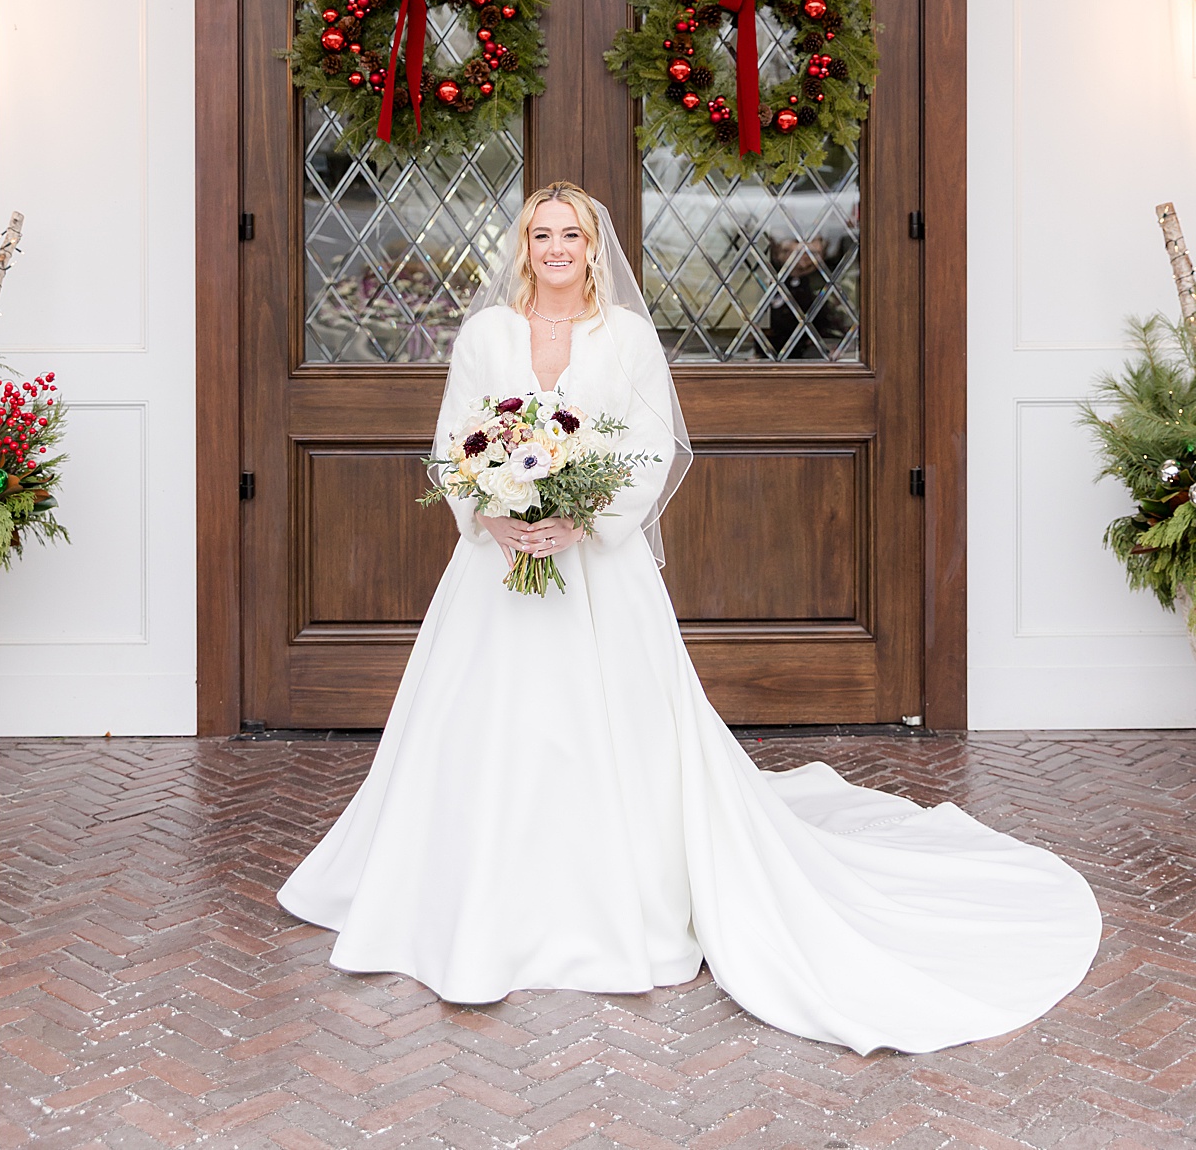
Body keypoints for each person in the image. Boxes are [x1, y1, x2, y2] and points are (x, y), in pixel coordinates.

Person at [277, 180, 1100, 1055]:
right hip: (497, 568)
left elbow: (648, 448)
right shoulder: (485, 335)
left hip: (601, 568)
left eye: (571, 234)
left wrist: (579, 519)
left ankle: (619, 899)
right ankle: (472, 899)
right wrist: (491, 514)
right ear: (524, 247)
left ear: (593, 247)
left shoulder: (626, 337)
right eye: (542, 234)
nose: (556, 248)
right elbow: (454, 441)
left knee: (622, 731)